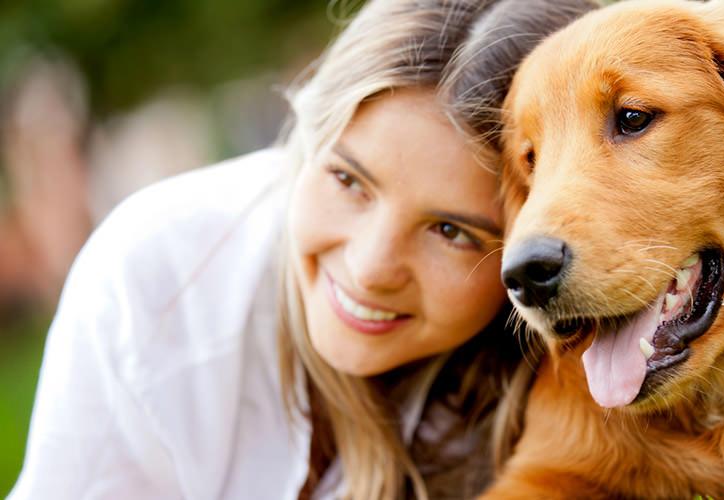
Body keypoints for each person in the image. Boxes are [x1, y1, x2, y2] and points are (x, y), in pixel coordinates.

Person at [10, 1, 599, 499]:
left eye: (452, 231)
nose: (370, 270)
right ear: (307, 138)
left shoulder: (571, 371)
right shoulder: (159, 279)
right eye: (348, 180)